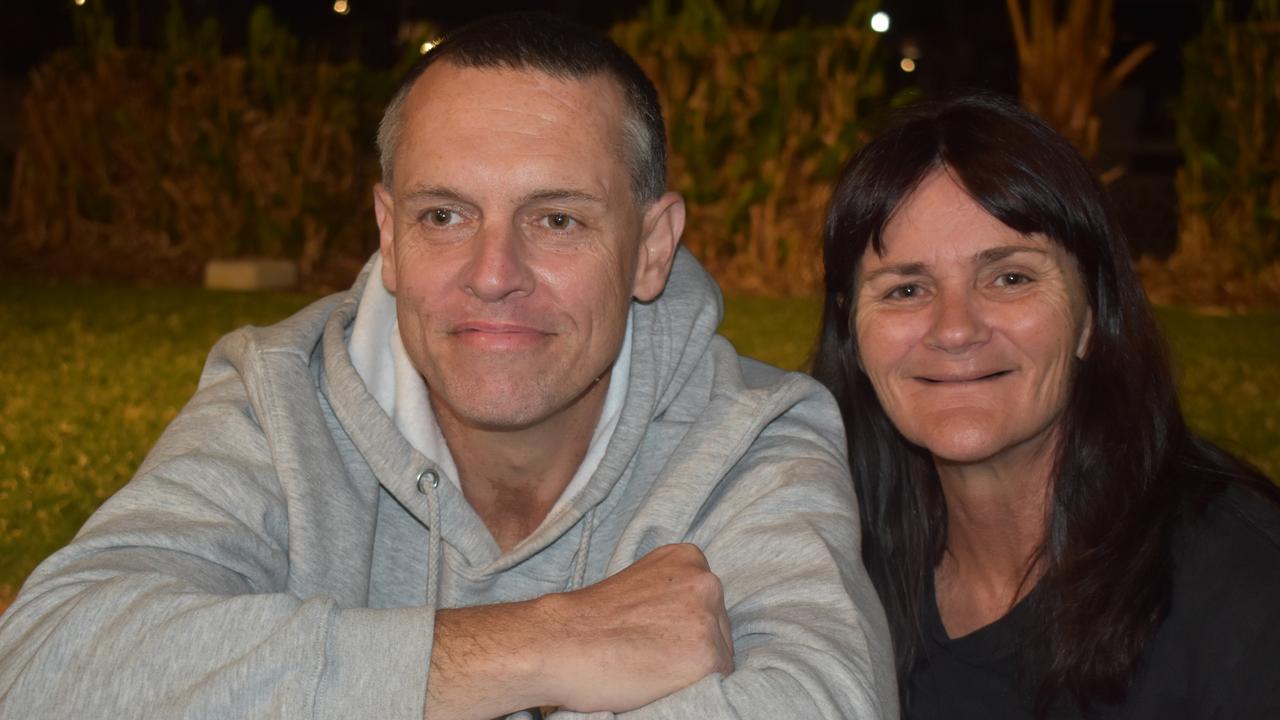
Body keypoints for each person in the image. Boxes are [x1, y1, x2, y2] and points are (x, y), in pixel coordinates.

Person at [0, 13, 896, 720]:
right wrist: (538, 645)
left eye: (557, 220)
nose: (493, 276)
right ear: (388, 234)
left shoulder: (757, 438)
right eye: (443, 216)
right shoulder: (278, 401)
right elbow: (47, 666)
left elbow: (821, 700)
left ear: (652, 247)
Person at [812, 93, 1280, 719]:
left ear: (1091, 315)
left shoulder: (1244, 587)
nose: (954, 329)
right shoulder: (833, 563)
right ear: (854, 335)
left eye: (1010, 278)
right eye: (906, 288)